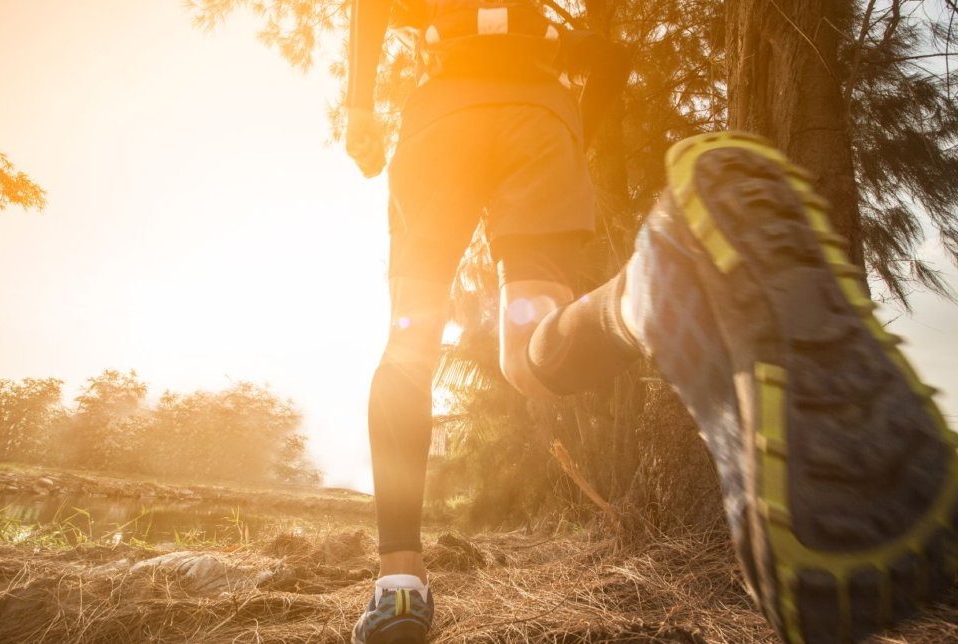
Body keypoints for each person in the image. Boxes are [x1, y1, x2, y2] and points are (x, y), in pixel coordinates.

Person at [343, 2, 958, 644]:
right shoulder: (546, 29)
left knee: (409, 348)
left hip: (443, 121)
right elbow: (610, 57)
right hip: (540, 118)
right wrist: (571, 134)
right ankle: (646, 290)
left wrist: (360, 107)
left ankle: (400, 589)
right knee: (529, 352)